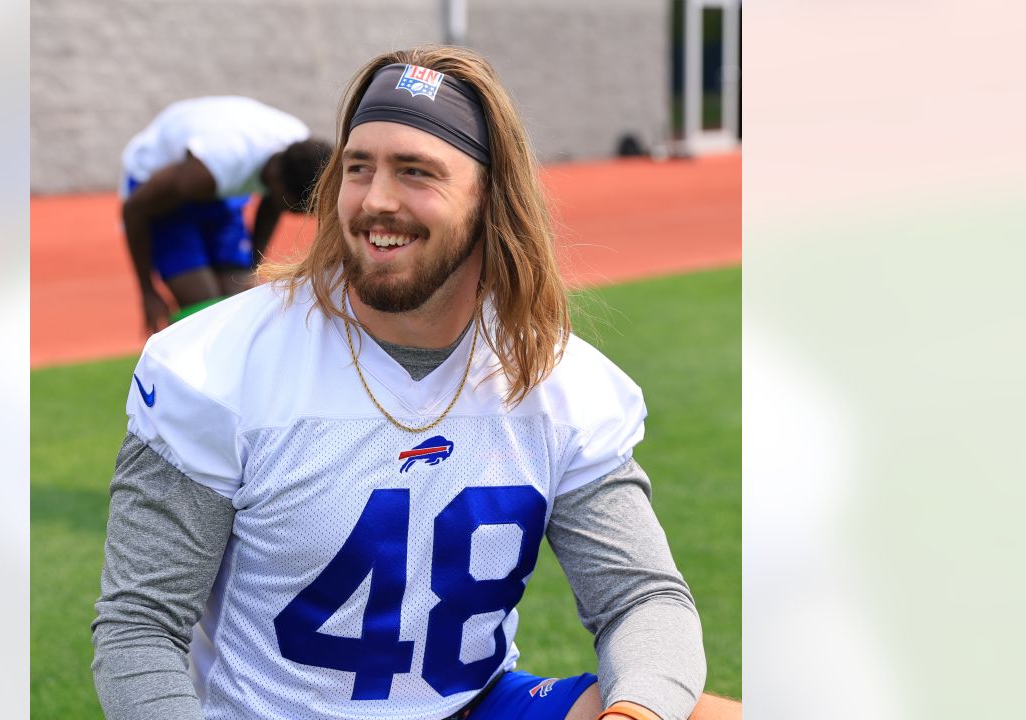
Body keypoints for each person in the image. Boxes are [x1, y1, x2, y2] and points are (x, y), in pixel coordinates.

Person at [93, 47, 742, 720]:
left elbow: (641, 597)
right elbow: (140, 628)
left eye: (415, 172)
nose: (376, 201)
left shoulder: (553, 376)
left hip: (471, 704)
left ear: (489, 195)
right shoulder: (217, 367)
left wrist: (634, 715)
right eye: (358, 168)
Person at [119, 96, 331, 334]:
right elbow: (134, 209)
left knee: (242, 306)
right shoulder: (206, 172)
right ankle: (175, 351)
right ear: (276, 182)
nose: (296, 214)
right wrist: (147, 291)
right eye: (295, 207)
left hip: (221, 189)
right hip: (165, 195)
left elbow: (273, 205)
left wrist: (253, 267)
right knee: (205, 310)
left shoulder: (298, 150)